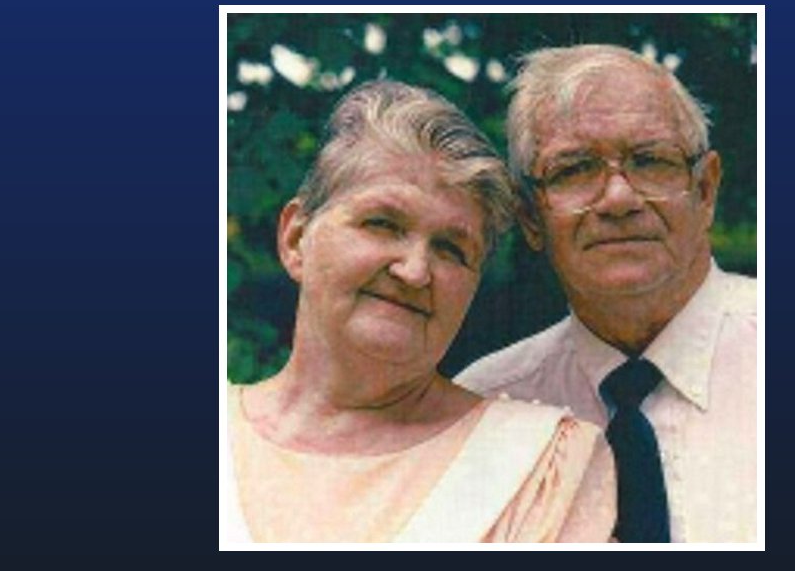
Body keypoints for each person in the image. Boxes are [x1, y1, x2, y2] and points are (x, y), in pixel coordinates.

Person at [221, 80, 615, 543]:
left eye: (451, 250)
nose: (415, 271)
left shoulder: (539, 466)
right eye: (383, 224)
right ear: (295, 239)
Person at [457, 45, 757, 543]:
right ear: (531, 218)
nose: (619, 199)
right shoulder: (482, 414)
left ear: (705, 190)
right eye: (574, 170)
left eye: (650, 161)